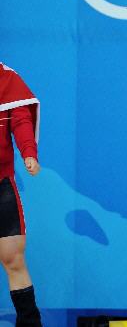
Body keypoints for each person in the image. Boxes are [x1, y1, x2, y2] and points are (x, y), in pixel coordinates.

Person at [0, 62, 42, 327]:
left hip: (1, 184)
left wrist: (29, 152)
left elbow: (21, 117)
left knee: (13, 257)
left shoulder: (6, 79)